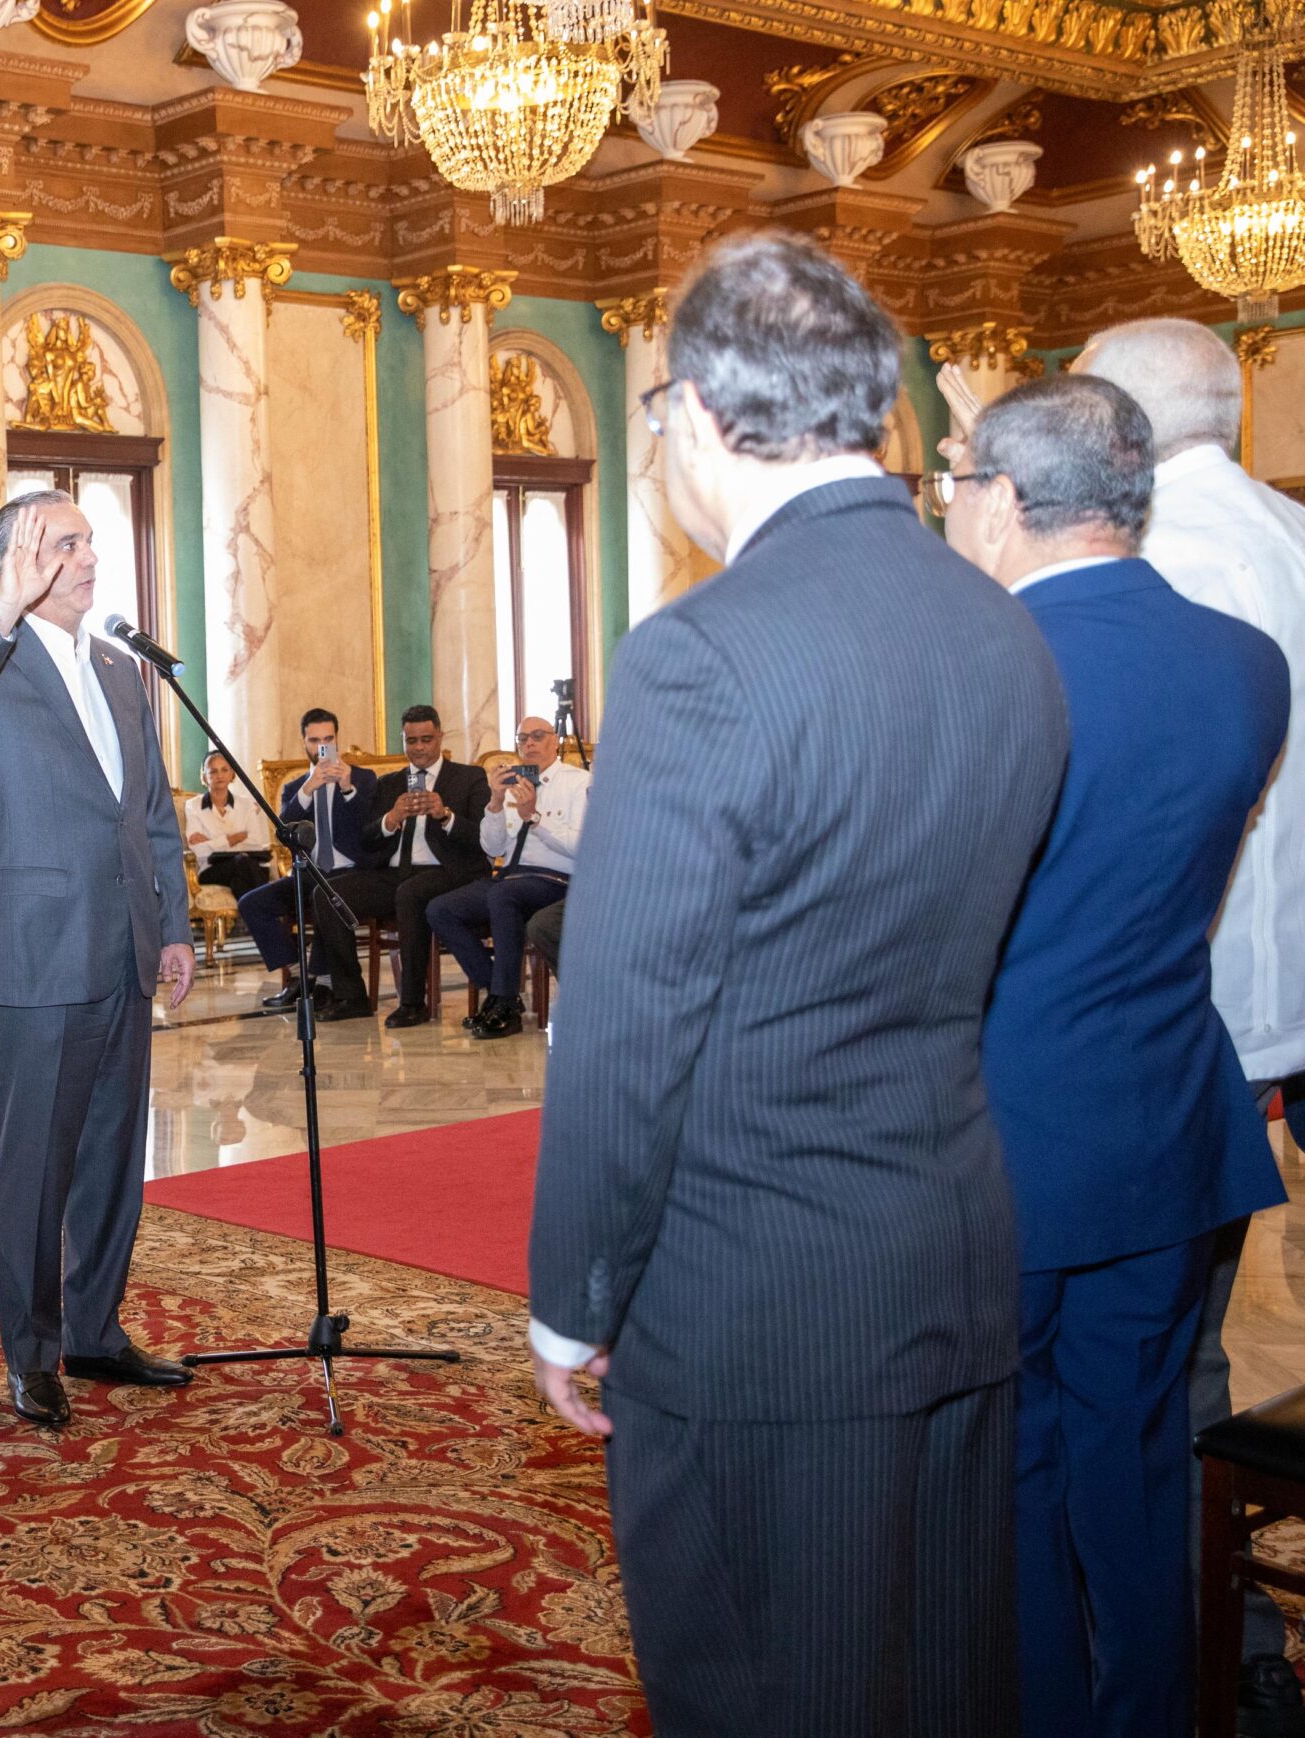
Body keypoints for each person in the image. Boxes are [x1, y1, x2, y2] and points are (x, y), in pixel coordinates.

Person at [526, 232, 1069, 1737]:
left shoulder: (702, 654)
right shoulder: (1003, 627)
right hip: (951, 1251)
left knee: (763, 1690)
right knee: (945, 1677)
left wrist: (574, 1297)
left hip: (760, 1300)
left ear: (697, 413)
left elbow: (629, 1030)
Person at [947, 375, 1288, 1738]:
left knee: (1012, 1462)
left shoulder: (983, 672)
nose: (954, 505)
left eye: (960, 481)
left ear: (1013, 503)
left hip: (1006, 1135)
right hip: (1166, 1117)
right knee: (1140, 1450)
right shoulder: (1245, 661)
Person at [1074, 317, 1305, 1738]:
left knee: (1154, 1357)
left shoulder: (1158, 570)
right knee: (1183, 1338)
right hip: (1274, 1003)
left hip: (1185, 1009)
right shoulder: (1289, 532)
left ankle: (1211, 1646)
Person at [0, 489, 196, 1429]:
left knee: (115, 1154)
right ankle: (30, 1354)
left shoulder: (122, 669)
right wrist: (3, 604)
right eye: (64, 544)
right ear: (18, 559)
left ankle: (94, 1331)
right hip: (40, 951)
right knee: (37, 1163)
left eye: (88, 542)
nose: (86, 558)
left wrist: (174, 930)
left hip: (123, 948)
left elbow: (152, 815)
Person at [425, 718, 585, 1039]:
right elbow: (492, 847)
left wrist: (534, 818)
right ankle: (499, 991)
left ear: (556, 742)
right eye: (522, 738)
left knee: (503, 895)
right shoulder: (514, 783)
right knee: (440, 909)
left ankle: (504, 1004)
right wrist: (496, 804)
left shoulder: (577, 783)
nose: (529, 744)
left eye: (538, 736)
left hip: (556, 880)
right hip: (509, 878)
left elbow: (582, 847)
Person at [234, 709, 381, 1020]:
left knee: (327, 896)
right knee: (253, 904)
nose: (321, 746)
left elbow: (369, 830)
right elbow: (285, 832)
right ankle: (300, 977)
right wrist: (308, 789)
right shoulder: (296, 787)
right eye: (314, 740)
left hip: (352, 872)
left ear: (337, 741)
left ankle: (325, 984)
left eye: (328, 739)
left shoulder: (363, 779)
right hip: (311, 872)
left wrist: (347, 788)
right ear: (304, 742)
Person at [365, 704, 491, 1028]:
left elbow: (484, 839)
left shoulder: (470, 777)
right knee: (332, 893)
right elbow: (365, 839)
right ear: (402, 741)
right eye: (411, 741)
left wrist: (445, 815)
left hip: (450, 872)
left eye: (426, 739)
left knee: (410, 893)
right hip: (395, 871)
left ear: (440, 737)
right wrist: (390, 820)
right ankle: (345, 995)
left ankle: (412, 1003)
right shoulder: (388, 783)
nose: (419, 748)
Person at [183, 750, 271, 895]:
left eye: (224, 770)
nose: (219, 776)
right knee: (243, 863)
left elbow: (256, 842)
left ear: (232, 774)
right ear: (204, 776)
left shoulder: (247, 804)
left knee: (239, 880)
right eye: (213, 771)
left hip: (246, 866)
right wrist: (234, 838)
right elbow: (198, 850)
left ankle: (250, 914)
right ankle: (265, 909)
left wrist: (212, 842)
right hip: (211, 870)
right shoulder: (193, 806)